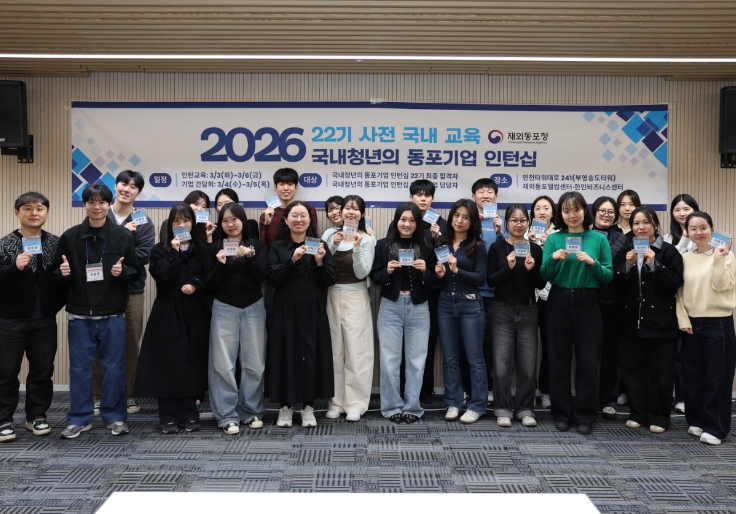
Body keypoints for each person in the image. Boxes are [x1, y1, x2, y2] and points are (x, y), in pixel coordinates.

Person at [53, 184, 140, 439]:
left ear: (108, 204)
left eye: (102, 202)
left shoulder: (121, 236)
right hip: (80, 316)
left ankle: (115, 417)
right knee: (80, 369)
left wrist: (122, 272)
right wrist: (62, 273)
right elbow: (56, 275)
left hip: (112, 314)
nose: (97, 207)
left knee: (114, 367)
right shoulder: (70, 237)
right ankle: (79, 418)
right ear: (84, 205)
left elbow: (135, 271)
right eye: (91, 202)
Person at [540, 191, 613, 435]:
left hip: (588, 302)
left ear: (585, 211)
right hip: (558, 300)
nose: (572, 215)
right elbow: (544, 274)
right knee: (558, 361)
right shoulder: (554, 239)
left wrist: (592, 263)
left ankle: (586, 415)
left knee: (588, 362)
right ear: (560, 214)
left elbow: (608, 276)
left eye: (576, 209)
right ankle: (561, 414)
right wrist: (553, 259)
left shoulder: (598, 239)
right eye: (566, 210)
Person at [134, 203, 210, 434]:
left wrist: (196, 284)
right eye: (176, 221)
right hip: (167, 310)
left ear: (193, 223)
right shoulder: (161, 249)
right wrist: (174, 253)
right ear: (170, 224)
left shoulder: (202, 249)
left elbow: (210, 277)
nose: (181, 225)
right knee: (167, 363)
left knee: (191, 362)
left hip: (194, 310)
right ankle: (167, 416)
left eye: (186, 220)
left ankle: (190, 414)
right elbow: (160, 275)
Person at [0, 192, 67, 442]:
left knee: (42, 370)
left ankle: (36, 416)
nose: (34, 213)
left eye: (40, 208)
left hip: (44, 321)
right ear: (17, 213)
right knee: (6, 373)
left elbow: (61, 285)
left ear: (47, 213)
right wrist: (14, 268)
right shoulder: (4, 244)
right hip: (9, 322)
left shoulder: (56, 244)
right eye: (27, 208)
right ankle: (4, 420)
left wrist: (66, 275)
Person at [266, 201, 336, 428]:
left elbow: (329, 279)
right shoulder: (277, 247)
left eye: (303, 215)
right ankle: (285, 407)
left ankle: (308, 407)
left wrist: (319, 262)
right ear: (286, 220)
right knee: (285, 355)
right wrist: (292, 260)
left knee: (312, 355)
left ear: (310, 220)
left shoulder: (319, 245)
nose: (299, 220)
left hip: (313, 309)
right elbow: (272, 279)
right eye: (294, 215)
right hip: (285, 310)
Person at [92, 170, 155, 418]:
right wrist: (122, 236)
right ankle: (98, 395)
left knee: (130, 343)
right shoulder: (100, 213)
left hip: (132, 291)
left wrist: (116, 248)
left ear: (138, 192)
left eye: (133, 186)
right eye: (123, 183)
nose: (127, 189)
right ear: (116, 186)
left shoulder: (142, 220)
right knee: (100, 342)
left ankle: (128, 395)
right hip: (100, 290)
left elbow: (144, 255)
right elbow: (91, 250)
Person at [204, 202, 267, 434]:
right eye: (225, 220)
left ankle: (251, 411)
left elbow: (262, 277)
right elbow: (209, 285)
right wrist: (220, 265)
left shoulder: (257, 246)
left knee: (254, 363)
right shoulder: (214, 248)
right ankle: (227, 415)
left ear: (243, 220)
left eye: (234, 219)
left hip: (254, 307)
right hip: (224, 307)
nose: (230, 224)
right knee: (222, 363)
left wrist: (250, 257)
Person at [619, 207, 683, 434]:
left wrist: (655, 264)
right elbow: (616, 286)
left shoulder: (668, 251)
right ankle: (637, 413)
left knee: (661, 373)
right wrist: (627, 266)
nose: (641, 227)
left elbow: (675, 283)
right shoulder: (627, 250)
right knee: (633, 370)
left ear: (655, 224)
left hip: (661, 323)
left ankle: (659, 416)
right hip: (632, 322)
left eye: (646, 222)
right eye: (636, 223)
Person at [370, 203, 434, 424]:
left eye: (412, 220)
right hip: (391, 306)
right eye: (403, 219)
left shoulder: (427, 245)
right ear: (396, 221)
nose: (407, 224)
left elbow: (435, 281)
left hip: (419, 307)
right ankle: (392, 407)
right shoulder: (382, 245)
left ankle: (412, 407)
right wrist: (386, 271)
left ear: (418, 223)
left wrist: (425, 271)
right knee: (390, 360)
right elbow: (375, 276)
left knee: (416, 360)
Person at [677, 211, 736, 445]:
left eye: (703, 227)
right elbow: (678, 293)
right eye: (693, 228)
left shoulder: (726, 254)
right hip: (691, 324)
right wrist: (683, 319)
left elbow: (722, 286)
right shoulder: (685, 257)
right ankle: (697, 420)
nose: (698, 232)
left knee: (717, 378)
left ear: (712, 229)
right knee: (693, 376)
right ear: (686, 232)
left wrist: (719, 258)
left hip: (718, 323)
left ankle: (716, 428)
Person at [486, 204, 545, 428]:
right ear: (506, 223)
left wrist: (531, 270)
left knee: (528, 365)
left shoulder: (535, 249)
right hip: (502, 310)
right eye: (514, 220)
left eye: (522, 220)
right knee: (501, 365)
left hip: (529, 310)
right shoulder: (497, 247)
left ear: (528, 223)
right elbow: (491, 280)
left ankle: (525, 409)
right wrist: (508, 267)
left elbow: (541, 283)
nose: (518, 224)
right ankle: (502, 408)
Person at [321, 195, 375, 422]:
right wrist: (333, 246)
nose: (351, 212)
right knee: (335, 351)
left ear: (362, 214)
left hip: (356, 296)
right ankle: (335, 401)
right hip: (332, 295)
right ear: (340, 212)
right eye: (347, 208)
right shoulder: (329, 235)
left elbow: (362, 273)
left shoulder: (367, 239)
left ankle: (356, 403)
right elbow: (321, 266)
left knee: (357, 351)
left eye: (355, 209)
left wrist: (356, 248)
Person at [434, 199, 488, 424]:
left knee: (475, 359)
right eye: (457, 215)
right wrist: (440, 274)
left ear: (472, 221)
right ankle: (454, 402)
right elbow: (439, 275)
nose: (459, 220)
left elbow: (481, 278)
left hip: (470, 304)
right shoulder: (442, 243)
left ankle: (477, 405)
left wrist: (457, 270)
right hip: (445, 303)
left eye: (466, 217)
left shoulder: (478, 246)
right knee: (450, 358)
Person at [404, 179, 447, 404]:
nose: (423, 198)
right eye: (418, 194)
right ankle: (404, 389)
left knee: (428, 342)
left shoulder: (440, 222)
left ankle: (425, 389)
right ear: (411, 197)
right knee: (405, 342)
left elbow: (447, 255)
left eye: (427, 195)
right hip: (406, 288)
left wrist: (438, 238)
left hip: (432, 289)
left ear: (432, 199)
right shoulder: (403, 218)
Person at [590, 196, 629, 421]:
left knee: (611, 354)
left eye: (610, 211)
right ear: (594, 212)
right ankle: (588, 398)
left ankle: (608, 400)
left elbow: (624, 271)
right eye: (602, 211)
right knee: (588, 354)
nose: (606, 215)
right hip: (588, 301)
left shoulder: (621, 239)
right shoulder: (584, 235)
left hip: (613, 303)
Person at [663, 193, 700, 414]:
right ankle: (678, 396)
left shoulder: (703, 234)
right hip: (673, 300)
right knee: (675, 352)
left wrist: (691, 235)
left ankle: (692, 397)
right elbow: (674, 263)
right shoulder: (667, 238)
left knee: (694, 353)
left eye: (686, 209)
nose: (682, 213)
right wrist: (684, 238)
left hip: (697, 300)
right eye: (677, 210)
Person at [471, 178, 504, 405]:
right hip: (471, 293)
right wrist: (475, 227)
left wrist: (501, 233)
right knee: (469, 344)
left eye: (489, 192)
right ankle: (468, 389)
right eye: (481, 192)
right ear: (473, 196)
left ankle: (489, 388)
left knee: (491, 345)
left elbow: (511, 251)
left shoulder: (503, 223)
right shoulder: (467, 221)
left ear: (496, 197)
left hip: (495, 295)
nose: (485, 195)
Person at [528, 195, 557, 409]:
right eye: (538, 208)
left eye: (546, 208)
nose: (542, 212)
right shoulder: (523, 233)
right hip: (528, 297)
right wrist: (530, 242)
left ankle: (546, 390)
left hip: (550, 296)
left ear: (553, 213)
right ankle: (528, 390)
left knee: (550, 346)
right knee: (526, 347)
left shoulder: (559, 236)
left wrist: (548, 245)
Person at [259, 169, 319, 247]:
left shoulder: (309, 210)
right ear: (275, 187)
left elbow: (312, 238)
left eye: (290, 184)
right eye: (281, 184)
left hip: (303, 254)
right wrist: (266, 223)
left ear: (296, 188)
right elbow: (264, 246)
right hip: (275, 254)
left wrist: (301, 211)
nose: (286, 188)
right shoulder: (266, 215)